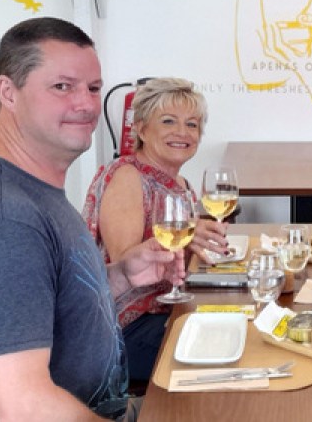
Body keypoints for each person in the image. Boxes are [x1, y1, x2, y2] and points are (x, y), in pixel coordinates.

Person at [0, 17, 181, 421]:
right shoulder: (3, 225)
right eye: (62, 86)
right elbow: (26, 410)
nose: (86, 104)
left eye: (93, 88)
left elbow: (46, 303)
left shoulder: (32, 193)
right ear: (8, 92)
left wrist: (121, 276)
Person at [81, 78, 229, 384]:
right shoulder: (127, 175)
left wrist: (197, 242)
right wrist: (184, 243)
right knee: (218, 362)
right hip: (125, 328)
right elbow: (125, 264)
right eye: (168, 121)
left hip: (166, 312)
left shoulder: (183, 186)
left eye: (192, 124)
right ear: (141, 128)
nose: (182, 132)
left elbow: (179, 258)